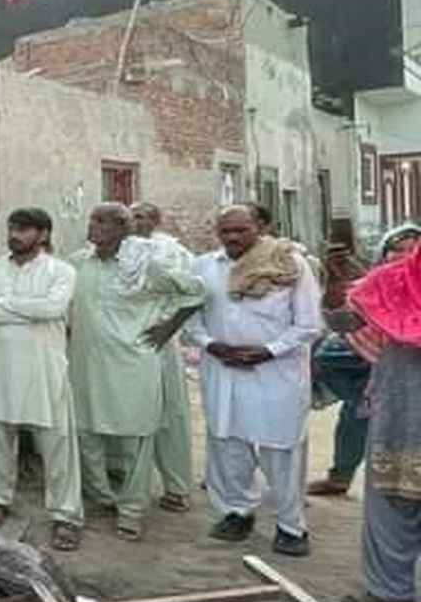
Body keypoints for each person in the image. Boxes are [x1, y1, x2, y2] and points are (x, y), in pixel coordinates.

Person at [68, 204, 208, 541]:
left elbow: (196, 291)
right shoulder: (77, 263)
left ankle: (131, 511)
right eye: (92, 219)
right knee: (86, 433)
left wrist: (166, 329)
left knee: (135, 440)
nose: (93, 226)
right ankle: (102, 497)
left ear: (123, 229)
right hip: (86, 364)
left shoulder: (145, 265)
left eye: (102, 221)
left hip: (133, 364)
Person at [188, 205, 321, 556]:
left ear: (260, 227)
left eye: (240, 230)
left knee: (280, 450)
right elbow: (191, 317)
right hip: (222, 369)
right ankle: (237, 512)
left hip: (275, 373)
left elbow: (308, 324)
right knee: (227, 444)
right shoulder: (204, 267)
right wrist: (211, 345)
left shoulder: (290, 264)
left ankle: (291, 527)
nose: (232, 237)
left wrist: (268, 351)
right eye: (225, 231)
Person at [0, 209, 84, 552]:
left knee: (57, 442)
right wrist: (24, 311)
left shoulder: (61, 271)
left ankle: (66, 516)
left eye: (23, 230)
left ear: (44, 234)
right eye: (12, 229)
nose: (15, 235)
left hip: (43, 369)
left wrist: (4, 304)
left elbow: (53, 308)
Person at [337, 236, 421, 602]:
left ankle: (390, 591)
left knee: (390, 500)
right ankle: (390, 591)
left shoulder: (392, 282)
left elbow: (345, 320)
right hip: (400, 409)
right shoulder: (390, 281)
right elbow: (348, 319)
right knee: (391, 498)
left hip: (401, 412)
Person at [308, 222, 421, 496]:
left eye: (413, 249)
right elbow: (342, 321)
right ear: (384, 253)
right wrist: (335, 286)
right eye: (396, 249)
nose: (404, 254)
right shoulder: (372, 288)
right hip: (380, 379)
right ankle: (341, 477)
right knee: (361, 420)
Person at [128, 202, 199, 511]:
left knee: (169, 412)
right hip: (121, 344)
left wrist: (166, 328)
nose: (134, 221)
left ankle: (177, 485)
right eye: (130, 216)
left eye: (140, 216)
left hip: (159, 340)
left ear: (155, 221)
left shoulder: (173, 254)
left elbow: (191, 295)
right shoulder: (118, 252)